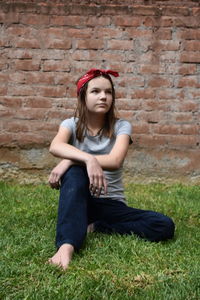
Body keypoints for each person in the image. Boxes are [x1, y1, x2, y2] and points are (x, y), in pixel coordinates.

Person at [48, 68, 175, 270]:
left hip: (111, 204)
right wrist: (86, 160)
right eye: (95, 91)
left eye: (108, 92)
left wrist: (71, 159)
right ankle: (66, 246)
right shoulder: (70, 124)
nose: (103, 97)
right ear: (83, 96)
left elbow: (115, 160)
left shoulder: (121, 126)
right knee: (74, 173)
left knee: (163, 224)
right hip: (81, 200)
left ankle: (98, 227)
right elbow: (55, 146)